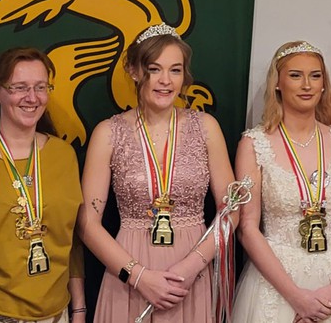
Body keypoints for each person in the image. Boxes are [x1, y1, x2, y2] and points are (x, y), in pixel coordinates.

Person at [78, 24, 237, 322]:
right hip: (128, 274)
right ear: (134, 70)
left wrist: (191, 267)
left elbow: (232, 211)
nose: (166, 81)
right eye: (154, 69)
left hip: (191, 275)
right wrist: (138, 276)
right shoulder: (108, 133)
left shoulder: (206, 127)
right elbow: (87, 224)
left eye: (175, 70)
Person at [232, 41, 331, 323]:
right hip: (277, 284)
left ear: (324, 84)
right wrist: (296, 297)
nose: (307, 85)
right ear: (278, 83)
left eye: (315, 75)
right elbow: (248, 228)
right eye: (295, 75)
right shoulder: (254, 144)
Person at [0, 47, 86, 323]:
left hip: (57, 313)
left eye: (40, 87)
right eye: (19, 87)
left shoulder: (64, 155)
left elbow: (73, 240)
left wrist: (79, 308)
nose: (32, 97)